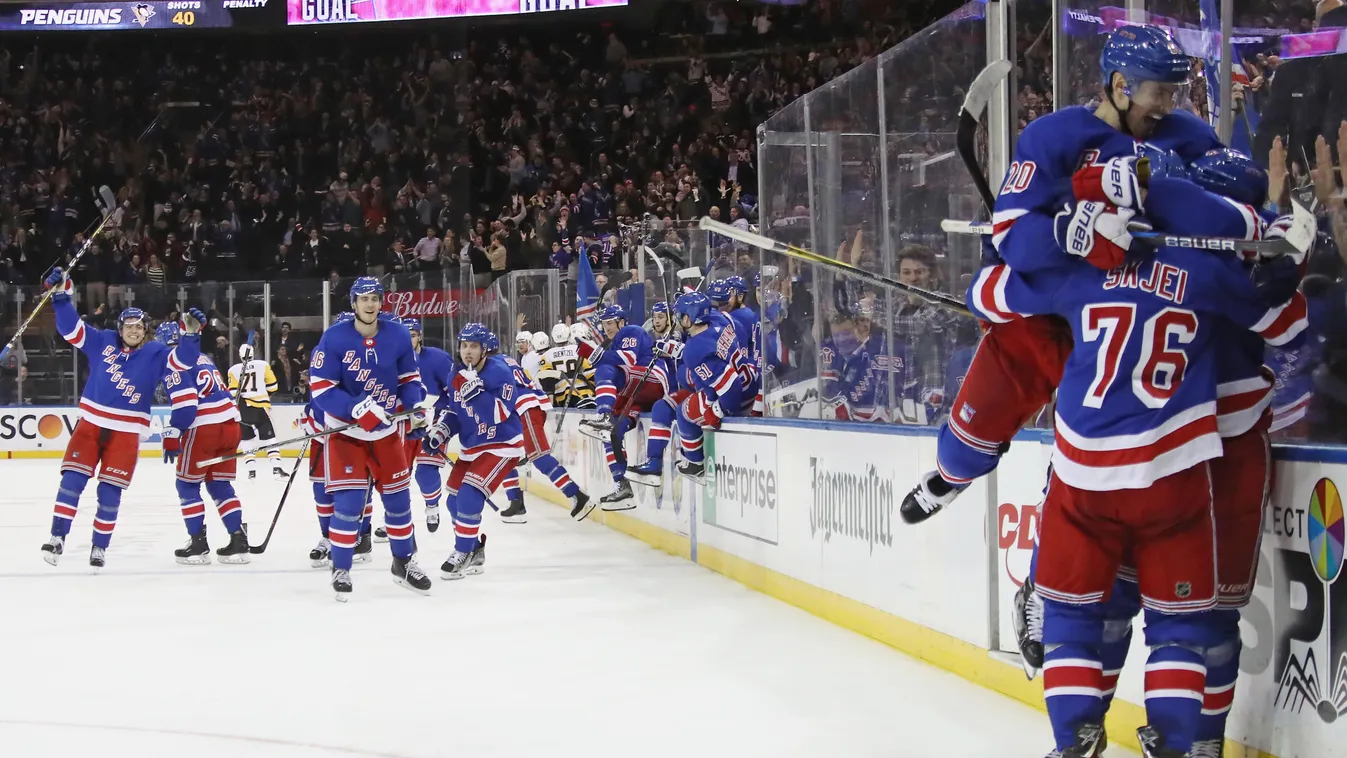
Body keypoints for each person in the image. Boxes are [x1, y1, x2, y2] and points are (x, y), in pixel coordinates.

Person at [964, 207, 1305, 756]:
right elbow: (1288, 319)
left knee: (1187, 615)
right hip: (1172, 445)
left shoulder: (1132, 247)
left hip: (1195, 445)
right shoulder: (1190, 251)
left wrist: (1007, 251)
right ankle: (1142, 740)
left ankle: (1171, 741)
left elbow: (994, 294)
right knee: (1153, 612)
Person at [901, 25, 1228, 525]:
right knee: (985, 411)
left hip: (1128, 313)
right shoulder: (1055, 136)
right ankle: (953, 473)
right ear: (1121, 85)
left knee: (1088, 456)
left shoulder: (1188, 136)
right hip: (1048, 309)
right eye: (1157, 91)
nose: (1167, 104)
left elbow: (1231, 193)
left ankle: (1048, 575)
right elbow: (1012, 231)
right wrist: (1065, 235)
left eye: (1172, 92)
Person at [40, 267, 205, 568]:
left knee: (109, 493)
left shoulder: (156, 352)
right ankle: (57, 537)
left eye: (139, 326)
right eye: (128, 325)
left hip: (127, 432)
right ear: (120, 328)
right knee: (72, 482)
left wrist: (191, 335)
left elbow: (183, 361)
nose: (133, 330)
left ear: (145, 330)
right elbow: (71, 330)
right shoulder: (101, 340)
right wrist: (61, 299)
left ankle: (99, 547)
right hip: (91, 423)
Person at [309, 277, 430, 601]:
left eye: (375, 298)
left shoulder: (398, 335)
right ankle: (342, 568)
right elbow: (321, 390)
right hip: (346, 436)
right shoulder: (334, 338)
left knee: (398, 503)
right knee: (348, 505)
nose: (370, 304)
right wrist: (354, 407)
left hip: (387, 434)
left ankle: (403, 562)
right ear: (353, 303)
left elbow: (409, 380)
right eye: (363, 298)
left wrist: (412, 407)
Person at [424, 324, 522, 579]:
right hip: (472, 447)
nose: (467, 351)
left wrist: (476, 393)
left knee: (469, 494)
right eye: (464, 346)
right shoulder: (455, 374)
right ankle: (475, 549)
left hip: (502, 445)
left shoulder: (499, 372)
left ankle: (462, 552)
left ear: (484, 350)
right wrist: (441, 432)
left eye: (474, 346)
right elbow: (456, 412)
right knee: (453, 500)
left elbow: (498, 415)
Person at [157, 321, 249, 565]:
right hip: (231, 425)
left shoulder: (173, 362)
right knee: (220, 485)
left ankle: (197, 544)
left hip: (204, 428)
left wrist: (175, 431)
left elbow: (187, 404)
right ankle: (238, 540)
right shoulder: (202, 357)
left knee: (187, 485)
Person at [487, 332, 594, 523]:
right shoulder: (504, 359)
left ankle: (577, 495)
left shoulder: (491, 366)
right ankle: (516, 502)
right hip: (517, 410)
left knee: (539, 456)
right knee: (504, 454)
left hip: (526, 407)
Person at [575, 305, 670, 508]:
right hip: (638, 395)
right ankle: (622, 485)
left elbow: (628, 359)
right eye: (604, 323)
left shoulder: (631, 331)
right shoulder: (614, 343)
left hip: (652, 379)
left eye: (610, 322)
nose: (607, 327)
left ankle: (604, 415)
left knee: (605, 368)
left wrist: (594, 354)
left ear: (622, 322)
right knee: (609, 433)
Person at [229, 343, 284, 480]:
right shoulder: (263, 365)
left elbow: (233, 393)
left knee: (247, 441)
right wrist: (263, 394)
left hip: (244, 410)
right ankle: (276, 469)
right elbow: (273, 386)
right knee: (270, 439)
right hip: (261, 409)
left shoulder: (233, 370)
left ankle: (251, 471)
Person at [536, 322, 597, 408]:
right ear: (569, 335)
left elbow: (546, 379)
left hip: (561, 397)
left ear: (553, 338)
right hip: (583, 394)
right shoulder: (579, 349)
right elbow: (590, 373)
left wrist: (550, 398)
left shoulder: (546, 355)